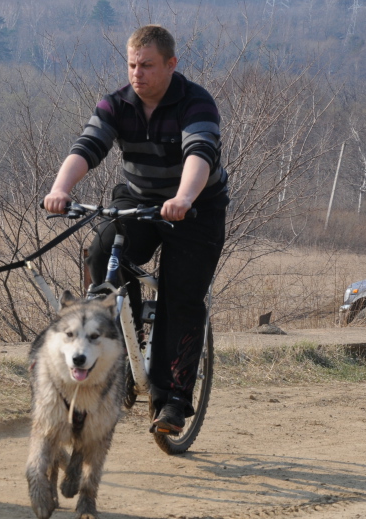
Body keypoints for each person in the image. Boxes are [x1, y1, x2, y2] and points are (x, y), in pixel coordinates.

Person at [42, 24, 228, 434]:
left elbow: (200, 153)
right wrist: (60, 189)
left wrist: (183, 198)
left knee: (181, 296)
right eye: (131, 65)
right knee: (101, 257)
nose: (136, 73)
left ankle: (172, 399)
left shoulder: (195, 102)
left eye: (146, 65)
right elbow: (87, 146)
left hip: (196, 208)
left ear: (170, 64)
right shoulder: (117, 104)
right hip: (139, 198)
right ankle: (125, 351)